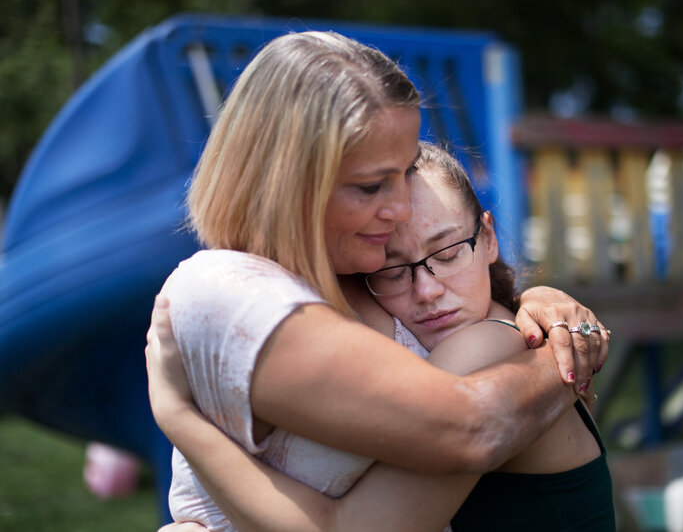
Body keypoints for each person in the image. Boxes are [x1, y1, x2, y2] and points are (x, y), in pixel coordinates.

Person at [144, 30, 609, 530]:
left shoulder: (380, 288)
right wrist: (568, 357)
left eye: (404, 173)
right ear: (290, 181)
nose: (401, 208)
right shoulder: (234, 291)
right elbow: (471, 427)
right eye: (371, 186)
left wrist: (554, 332)